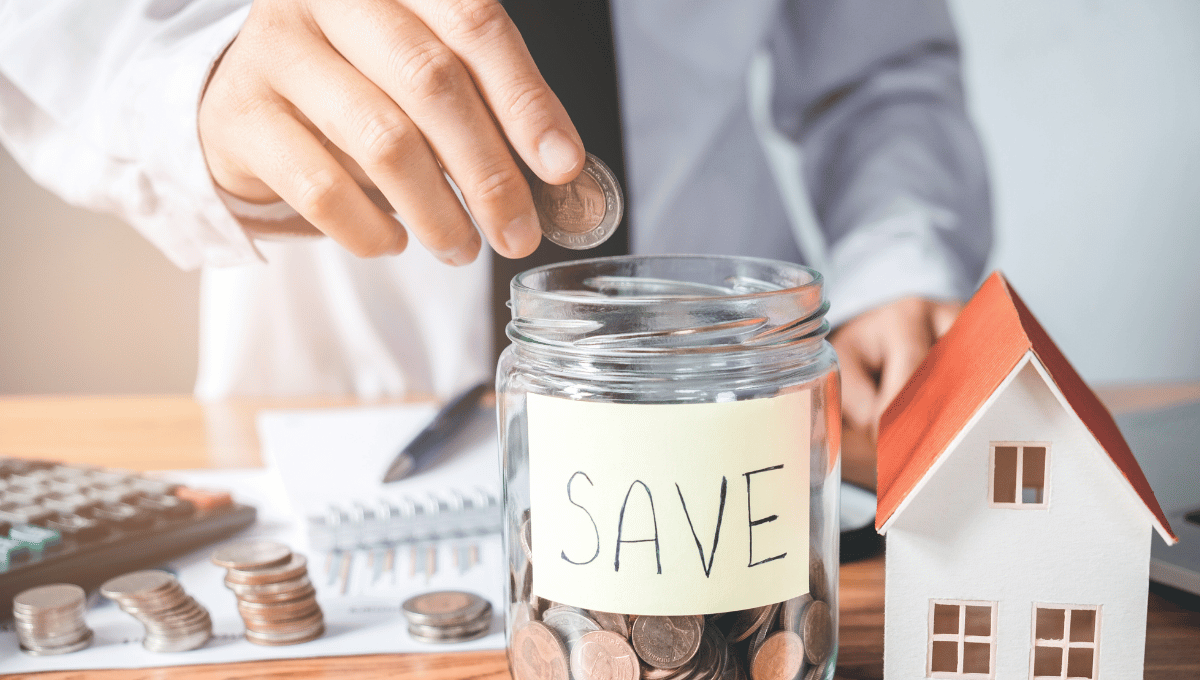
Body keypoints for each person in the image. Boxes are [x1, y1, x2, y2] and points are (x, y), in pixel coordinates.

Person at [0, 0, 990, 485]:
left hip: (727, 395)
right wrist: (194, 83)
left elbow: (882, 69)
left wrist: (893, 266)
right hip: (346, 404)